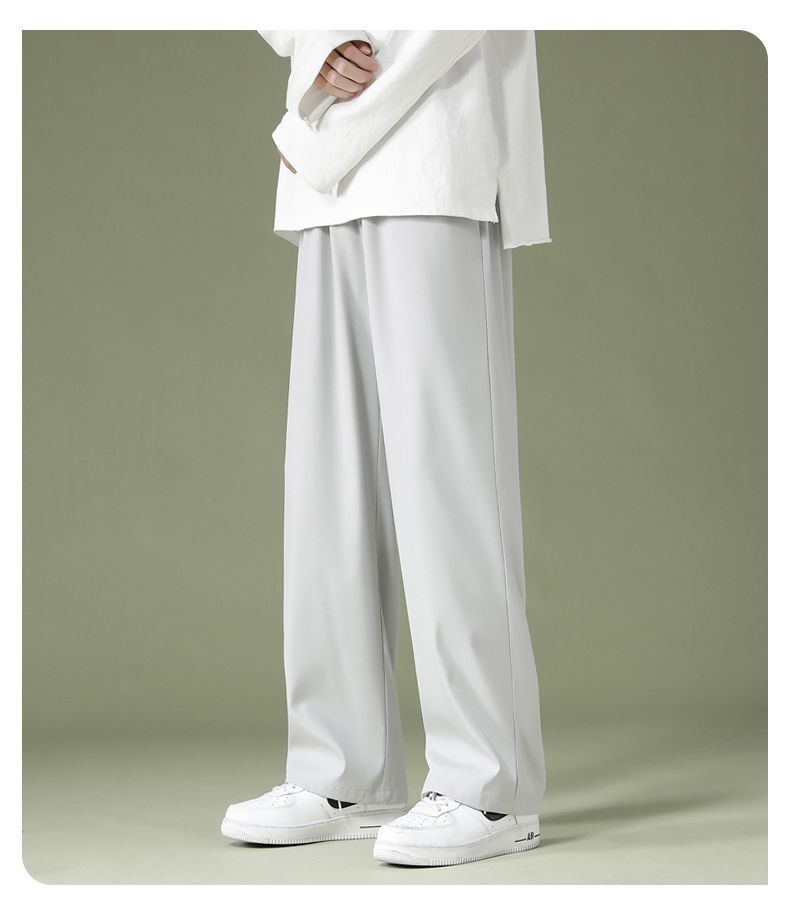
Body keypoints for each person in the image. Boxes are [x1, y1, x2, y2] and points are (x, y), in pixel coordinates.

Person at [221, 29, 551, 868]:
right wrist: (317, 44)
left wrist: (317, 129)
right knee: (328, 486)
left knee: (448, 480)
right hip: (328, 180)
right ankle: (342, 772)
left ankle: (490, 785)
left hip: (433, 147)